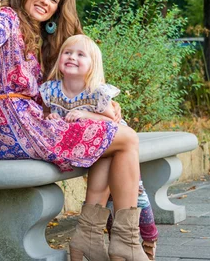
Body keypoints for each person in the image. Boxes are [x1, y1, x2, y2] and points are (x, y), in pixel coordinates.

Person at [0, 0, 149, 261]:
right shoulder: (7, 19)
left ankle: (91, 239)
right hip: (16, 128)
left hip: (20, 128)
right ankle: (124, 241)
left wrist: (99, 108)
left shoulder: (32, 34)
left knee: (112, 146)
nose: (45, 2)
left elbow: (60, 91)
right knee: (126, 138)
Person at [39, 34, 159, 260]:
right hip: (88, 143)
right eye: (67, 52)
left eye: (80, 54)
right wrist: (50, 116)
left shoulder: (97, 92)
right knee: (107, 159)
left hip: (110, 141)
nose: (72, 57)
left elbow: (111, 121)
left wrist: (85, 114)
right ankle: (105, 242)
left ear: (92, 66)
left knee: (137, 194)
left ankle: (142, 238)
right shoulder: (51, 90)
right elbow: (46, 113)